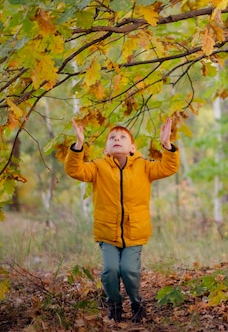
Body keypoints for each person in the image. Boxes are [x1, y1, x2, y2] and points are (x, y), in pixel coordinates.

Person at [64, 117, 179, 323]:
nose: (117, 139)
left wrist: (166, 145)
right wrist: (79, 145)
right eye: (112, 138)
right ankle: (114, 305)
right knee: (110, 270)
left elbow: (168, 168)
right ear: (106, 149)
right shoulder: (98, 167)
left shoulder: (144, 167)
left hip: (135, 231)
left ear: (132, 147)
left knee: (128, 270)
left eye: (122, 137)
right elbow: (75, 170)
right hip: (107, 232)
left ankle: (136, 304)